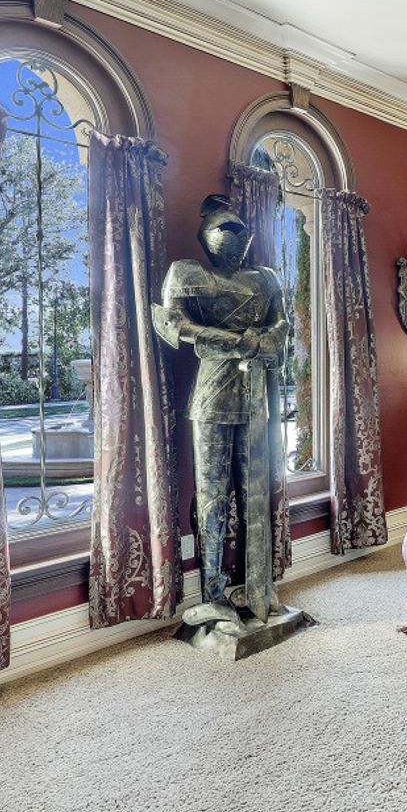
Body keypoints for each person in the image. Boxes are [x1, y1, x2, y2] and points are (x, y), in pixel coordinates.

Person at [153, 194, 289, 623]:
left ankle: (257, 586)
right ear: (207, 235)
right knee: (213, 496)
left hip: (256, 390)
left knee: (255, 492)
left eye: (240, 231)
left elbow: (281, 323)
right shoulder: (187, 272)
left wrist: (266, 340)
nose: (235, 238)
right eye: (225, 230)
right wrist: (240, 342)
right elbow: (174, 325)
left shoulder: (265, 278)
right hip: (213, 391)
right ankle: (212, 594)